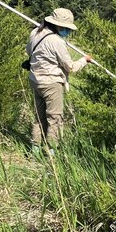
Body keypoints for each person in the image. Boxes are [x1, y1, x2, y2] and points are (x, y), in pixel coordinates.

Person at [26, 8, 92, 149]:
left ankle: (35, 149)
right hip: (52, 84)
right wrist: (84, 60)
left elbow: (28, 51)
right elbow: (70, 67)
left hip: (35, 81)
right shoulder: (56, 41)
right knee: (55, 119)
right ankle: (52, 151)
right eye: (66, 28)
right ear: (59, 25)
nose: (67, 31)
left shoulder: (35, 32)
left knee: (40, 117)